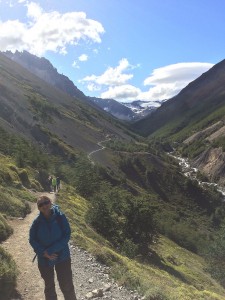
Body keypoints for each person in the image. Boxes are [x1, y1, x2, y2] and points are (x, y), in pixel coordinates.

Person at [29, 195, 77, 300]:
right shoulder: (36, 222)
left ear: (50, 202)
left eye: (46, 202)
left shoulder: (60, 216)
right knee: (49, 287)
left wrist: (50, 251)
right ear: (38, 208)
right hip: (44, 259)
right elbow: (32, 240)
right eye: (41, 204)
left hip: (62, 256)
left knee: (67, 285)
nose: (44, 206)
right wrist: (43, 252)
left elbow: (67, 234)